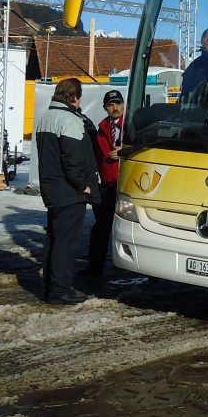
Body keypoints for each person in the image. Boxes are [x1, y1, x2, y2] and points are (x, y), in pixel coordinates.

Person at [35, 77, 100, 305]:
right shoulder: (69, 120)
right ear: (74, 97)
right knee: (66, 243)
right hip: (69, 192)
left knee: (54, 238)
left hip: (52, 189)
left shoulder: (46, 118)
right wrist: (83, 185)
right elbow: (73, 161)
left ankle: (51, 286)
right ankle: (61, 290)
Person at [81, 89, 125, 277]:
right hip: (107, 185)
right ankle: (94, 269)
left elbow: (147, 148)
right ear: (105, 108)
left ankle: (151, 273)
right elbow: (98, 158)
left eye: (118, 103)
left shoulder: (133, 126)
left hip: (128, 186)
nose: (115, 108)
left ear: (124, 104)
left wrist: (126, 151)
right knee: (101, 228)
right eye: (111, 104)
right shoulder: (102, 129)